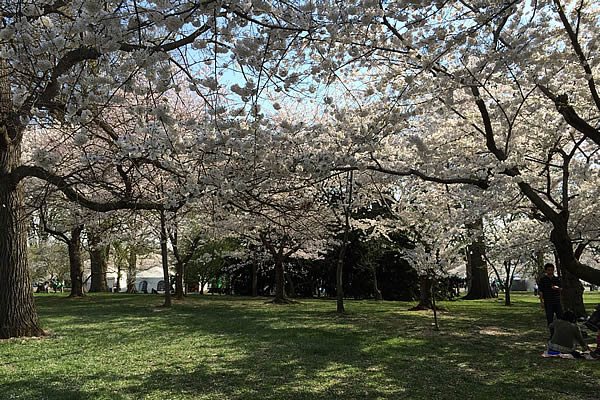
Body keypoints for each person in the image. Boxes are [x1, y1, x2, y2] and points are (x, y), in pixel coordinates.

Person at [539, 263, 562, 337]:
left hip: (557, 300)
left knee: (560, 318)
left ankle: (560, 333)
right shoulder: (543, 280)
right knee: (550, 318)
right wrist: (542, 302)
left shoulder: (557, 279)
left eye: (552, 270)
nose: (550, 271)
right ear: (546, 271)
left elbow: (561, 289)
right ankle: (552, 334)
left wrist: (557, 288)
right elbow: (541, 291)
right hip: (548, 301)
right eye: (548, 270)